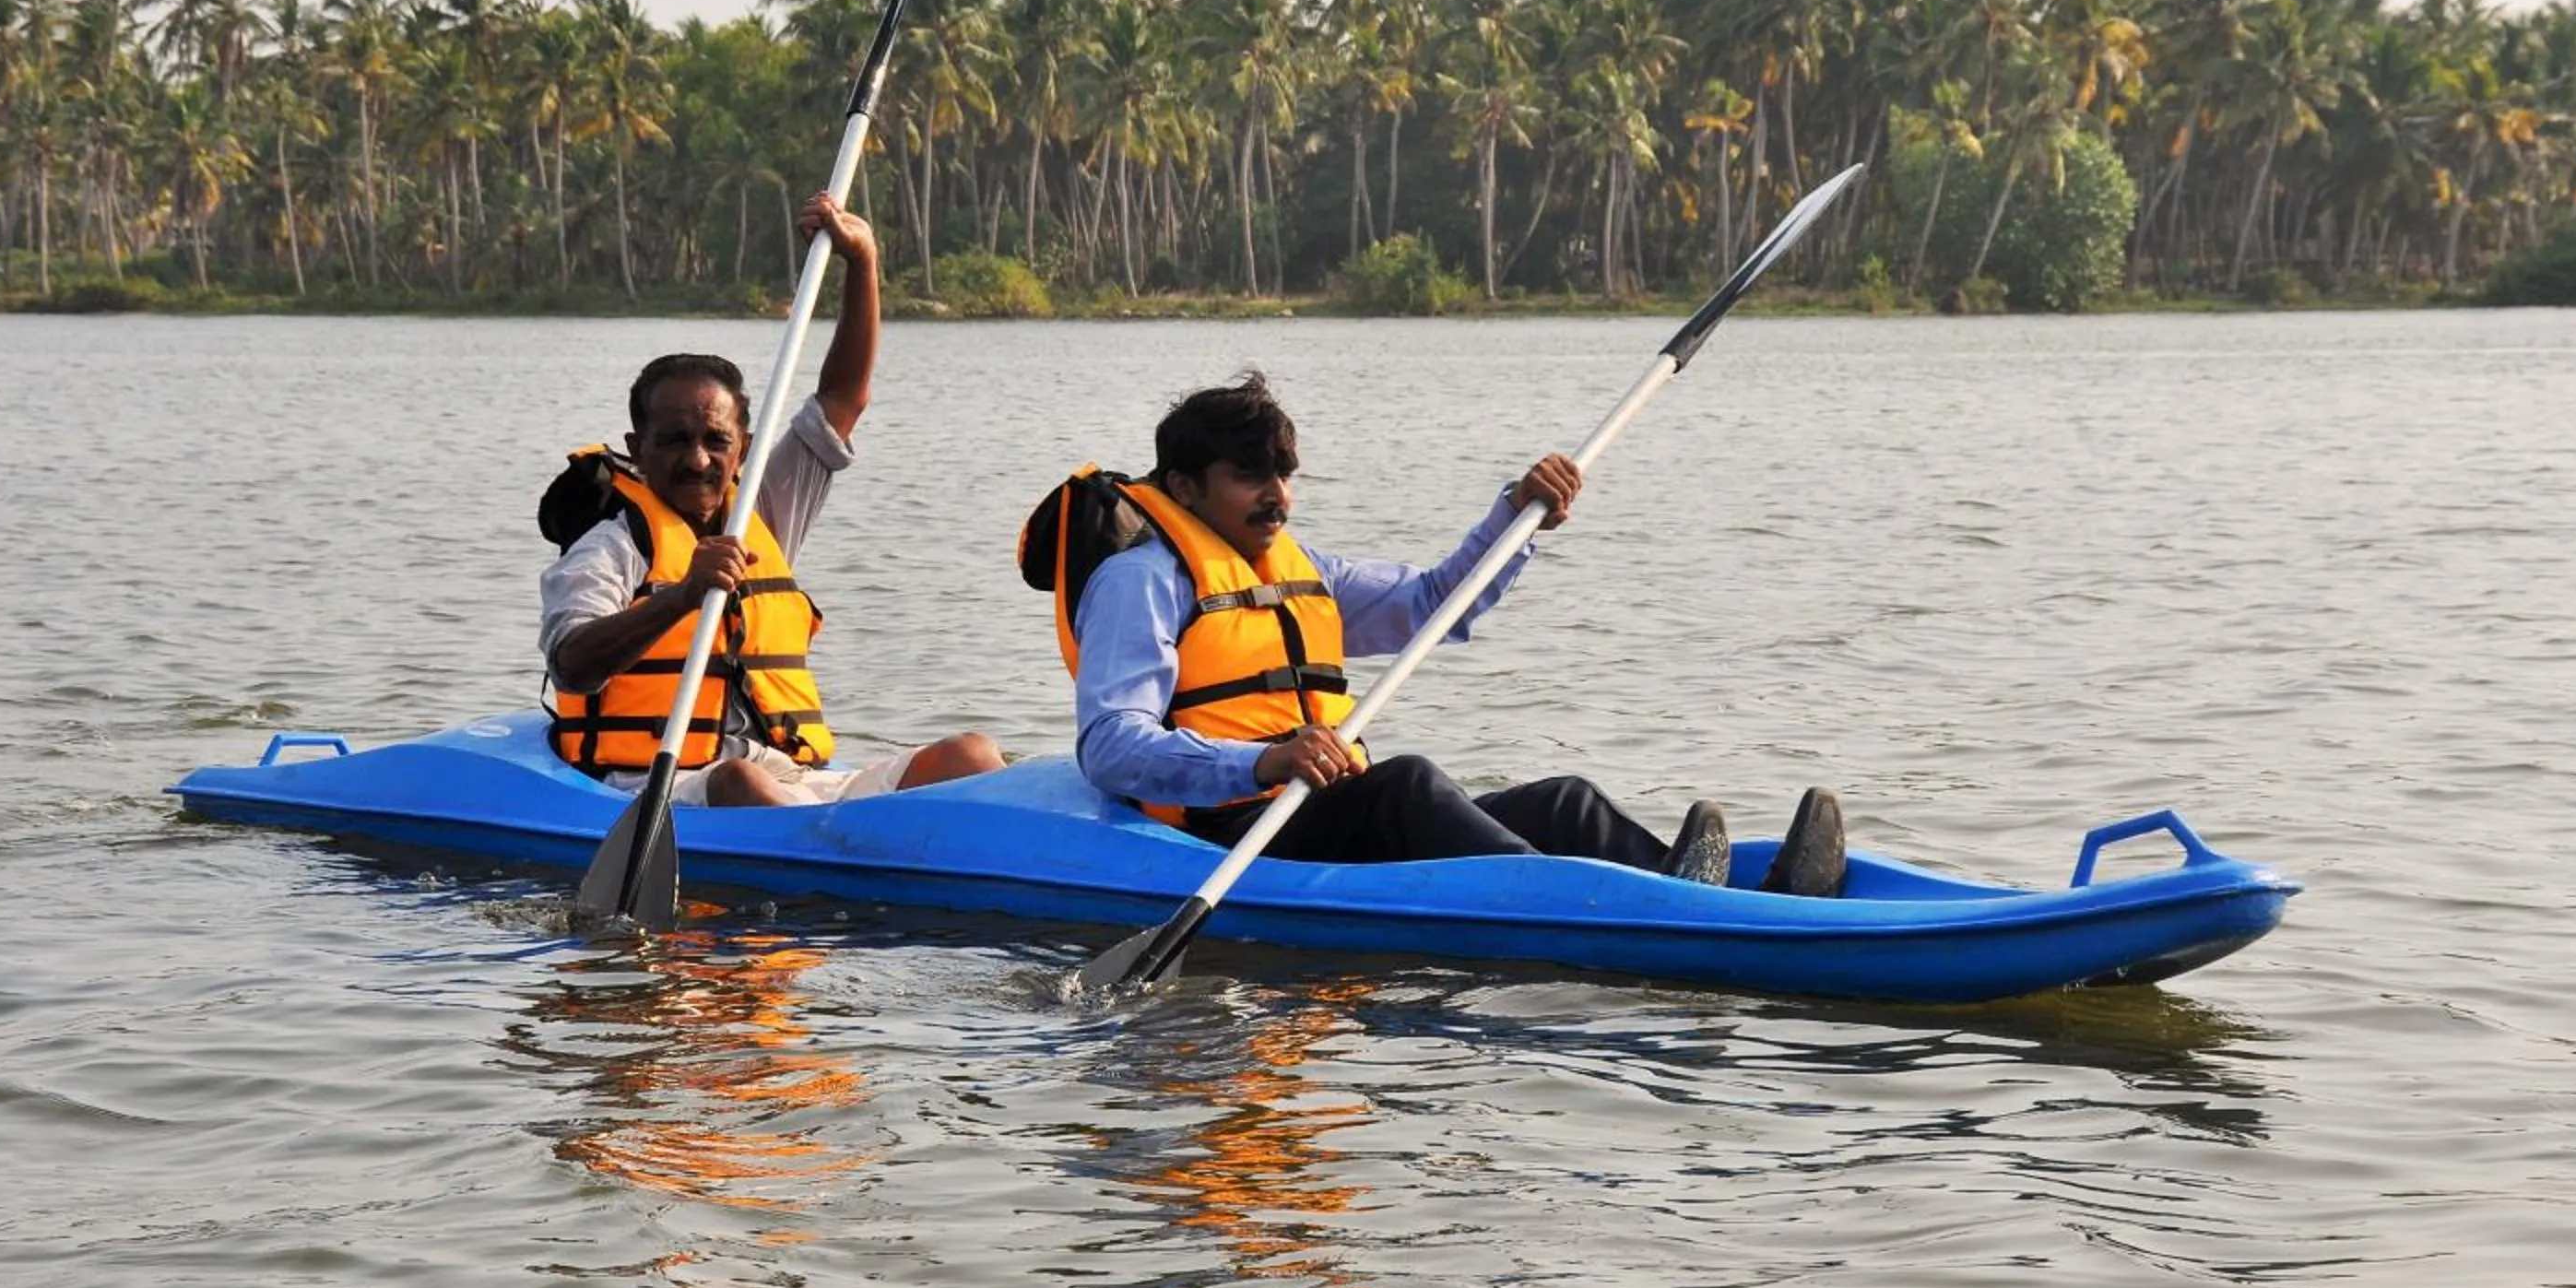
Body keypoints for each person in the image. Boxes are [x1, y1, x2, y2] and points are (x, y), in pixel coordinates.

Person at [1063, 371, 1846, 892]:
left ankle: (1741, 900)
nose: (1279, 497)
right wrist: (1263, 758)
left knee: (1564, 803)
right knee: (1405, 785)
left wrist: (1517, 516)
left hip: (1317, 807)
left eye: (1285, 475)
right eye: (1251, 479)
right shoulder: (1139, 586)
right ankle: (1614, 910)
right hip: (1233, 829)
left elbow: (1442, 603)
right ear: (1184, 487)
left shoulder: (1306, 572)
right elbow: (1111, 747)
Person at [539, 192, 1003, 808]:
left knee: (971, 755)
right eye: (674, 440)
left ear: (744, 447)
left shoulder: (764, 508)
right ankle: (845, 870)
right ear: (637, 446)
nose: (697, 459)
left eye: (715, 440)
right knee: (740, 783)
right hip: (665, 783)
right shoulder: (611, 546)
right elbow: (572, 663)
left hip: (790, 774)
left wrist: (861, 261)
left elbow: (842, 399)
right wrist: (681, 596)